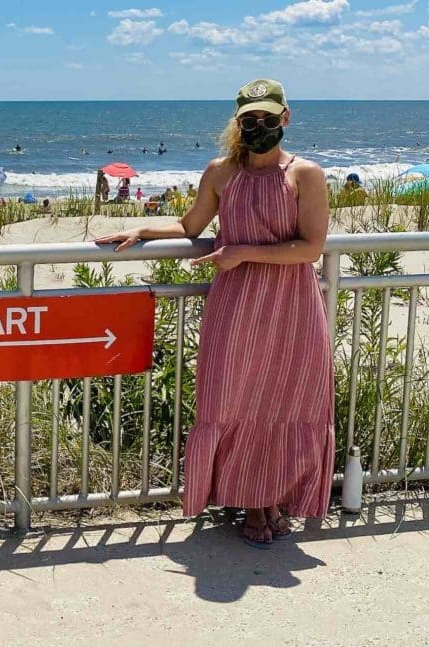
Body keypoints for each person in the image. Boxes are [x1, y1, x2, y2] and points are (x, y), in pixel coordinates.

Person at [95, 78, 332, 548]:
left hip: (292, 307)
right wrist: (144, 228)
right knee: (232, 398)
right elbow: (191, 225)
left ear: (286, 117)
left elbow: (312, 248)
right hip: (236, 305)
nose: (259, 127)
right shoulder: (220, 172)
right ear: (238, 121)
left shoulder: (305, 174)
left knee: (284, 400)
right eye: (250, 120)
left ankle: (269, 500)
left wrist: (243, 252)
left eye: (268, 118)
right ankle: (251, 501)